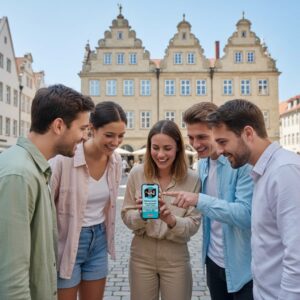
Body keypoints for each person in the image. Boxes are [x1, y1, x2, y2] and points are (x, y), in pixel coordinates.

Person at [0, 84, 95, 300]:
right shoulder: (20, 175)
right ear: (59, 126)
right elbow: (11, 277)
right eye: (82, 129)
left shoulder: (33, 168)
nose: (84, 137)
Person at [207, 99, 300, 300]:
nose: (220, 151)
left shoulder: (284, 172)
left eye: (223, 142)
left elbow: (297, 255)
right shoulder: (263, 171)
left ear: (248, 134)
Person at [165, 102, 254, 300]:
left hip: (242, 267)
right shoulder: (202, 164)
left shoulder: (241, 164)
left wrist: (199, 199)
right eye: (191, 137)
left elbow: (246, 215)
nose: (195, 144)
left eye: (202, 137)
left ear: (217, 131)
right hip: (213, 261)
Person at [49, 101, 127, 300]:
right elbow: (46, 205)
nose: (116, 142)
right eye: (109, 135)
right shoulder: (64, 159)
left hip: (99, 240)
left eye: (120, 136)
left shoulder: (116, 161)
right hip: (66, 243)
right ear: (92, 129)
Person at [121, 120, 201, 300]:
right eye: (155, 147)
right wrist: (141, 215)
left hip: (176, 257)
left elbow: (194, 224)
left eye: (167, 148)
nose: (160, 154)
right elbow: (126, 215)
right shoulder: (137, 173)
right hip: (142, 254)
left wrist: (171, 220)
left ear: (178, 148)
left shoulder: (193, 179)